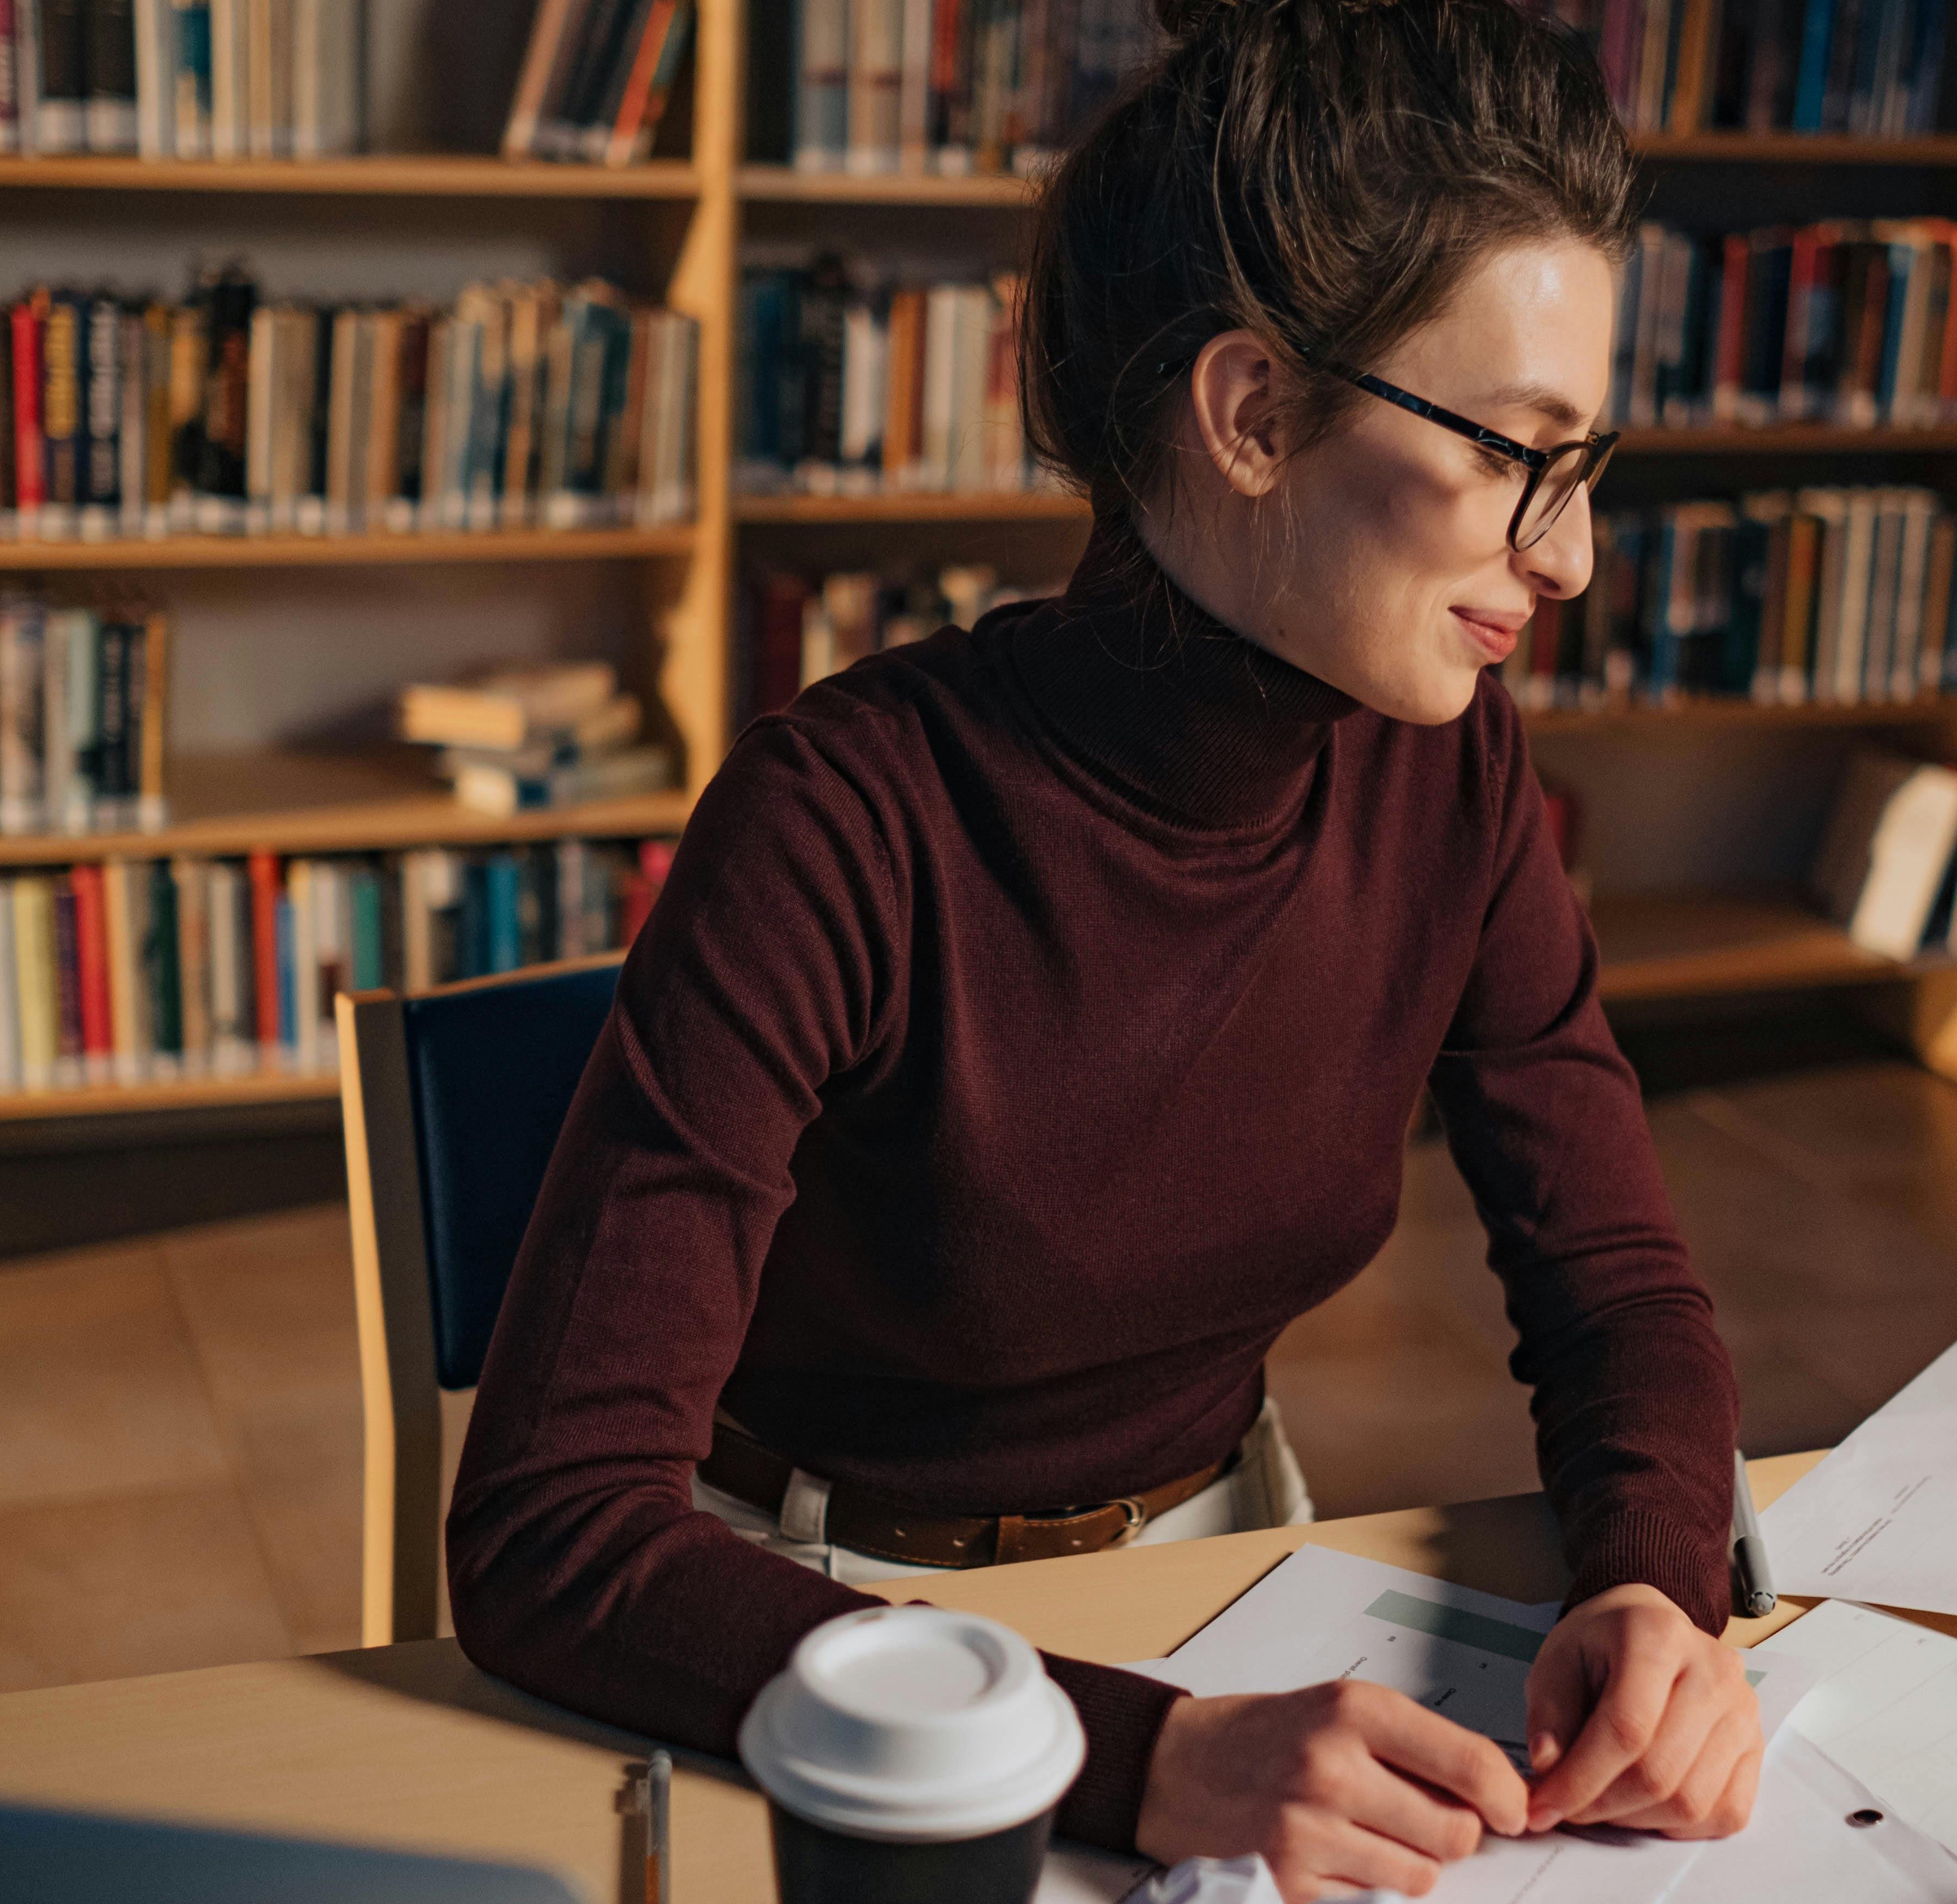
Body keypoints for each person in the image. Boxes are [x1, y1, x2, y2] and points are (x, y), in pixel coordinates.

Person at [444, 0, 1761, 1891]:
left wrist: (1655, 1582)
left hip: (1238, 1576)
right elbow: (551, 1527)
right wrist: (1140, 1758)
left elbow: (1619, 1284)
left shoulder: (1450, 774)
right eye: (1511, 455)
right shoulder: (846, 817)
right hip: (833, 1641)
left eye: (1589, 459)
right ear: (1248, 414)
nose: (1564, 558)